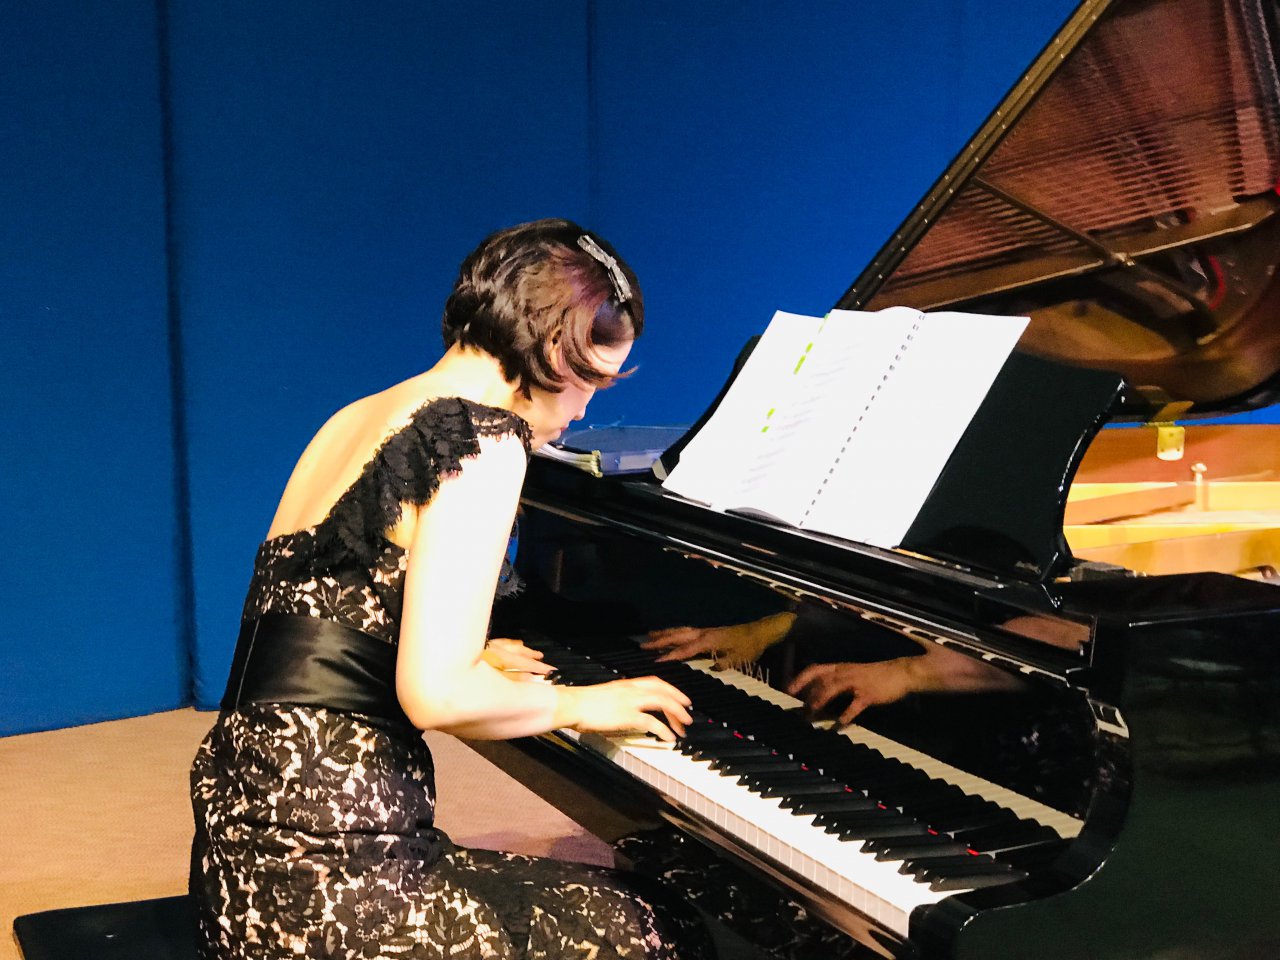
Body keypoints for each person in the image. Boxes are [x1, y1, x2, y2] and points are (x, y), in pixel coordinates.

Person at [190, 219, 714, 960]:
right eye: (593, 380)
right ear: (554, 346)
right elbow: (435, 697)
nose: (584, 410)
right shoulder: (484, 440)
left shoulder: (360, 415)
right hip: (335, 888)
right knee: (659, 926)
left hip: (240, 866)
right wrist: (579, 703)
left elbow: (323, 620)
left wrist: (467, 653)